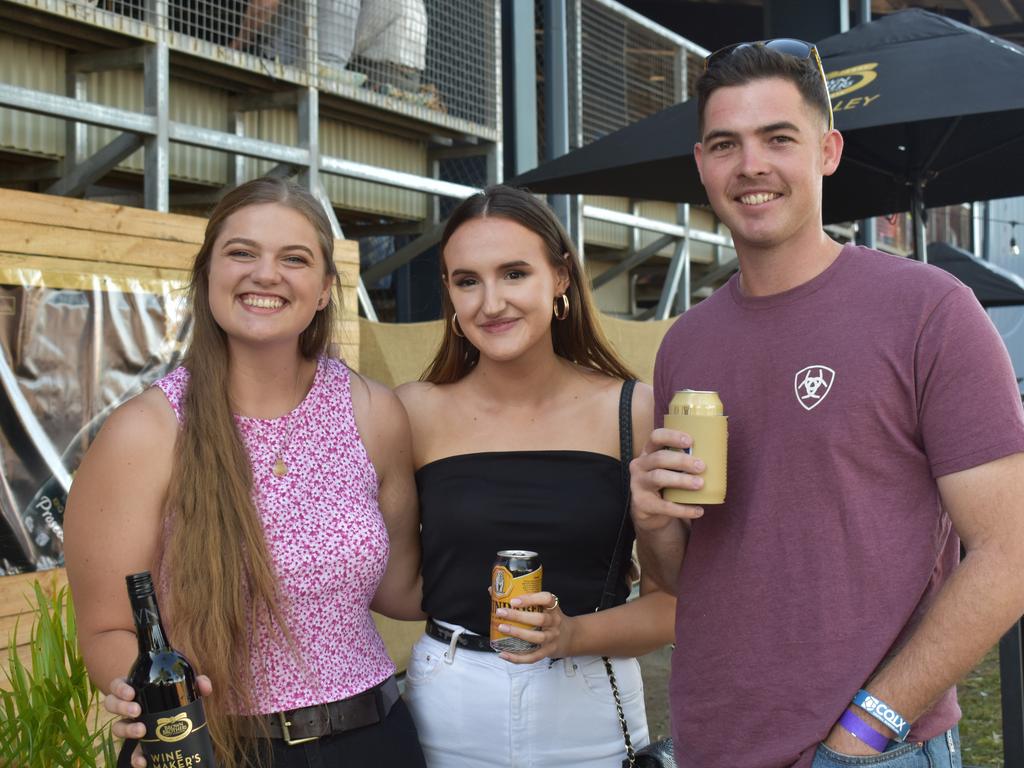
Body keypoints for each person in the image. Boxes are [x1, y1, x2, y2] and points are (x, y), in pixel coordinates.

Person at [629, 40, 1024, 768]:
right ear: (702, 166)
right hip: (711, 744)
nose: (751, 164)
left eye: (779, 138)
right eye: (726, 144)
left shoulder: (928, 311)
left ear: (828, 151)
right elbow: (693, 582)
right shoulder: (685, 343)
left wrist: (867, 732)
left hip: (870, 752)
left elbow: (1010, 552)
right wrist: (653, 523)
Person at [64, 177, 426, 768]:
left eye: (294, 258)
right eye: (242, 253)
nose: (266, 274)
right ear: (208, 273)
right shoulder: (148, 431)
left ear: (324, 289)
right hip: (223, 748)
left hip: (376, 739)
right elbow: (107, 629)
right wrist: (152, 716)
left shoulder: (372, 410)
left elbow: (401, 589)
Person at [395, 184, 676, 767]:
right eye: (467, 280)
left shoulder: (636, 409)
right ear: (448, 292)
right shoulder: (412, 411)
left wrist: (569, 634)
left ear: (561, 279)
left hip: (593, 711)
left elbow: (673, 604)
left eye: (514, 273)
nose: (490, 302)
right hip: (448, 704)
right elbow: (393, 587)